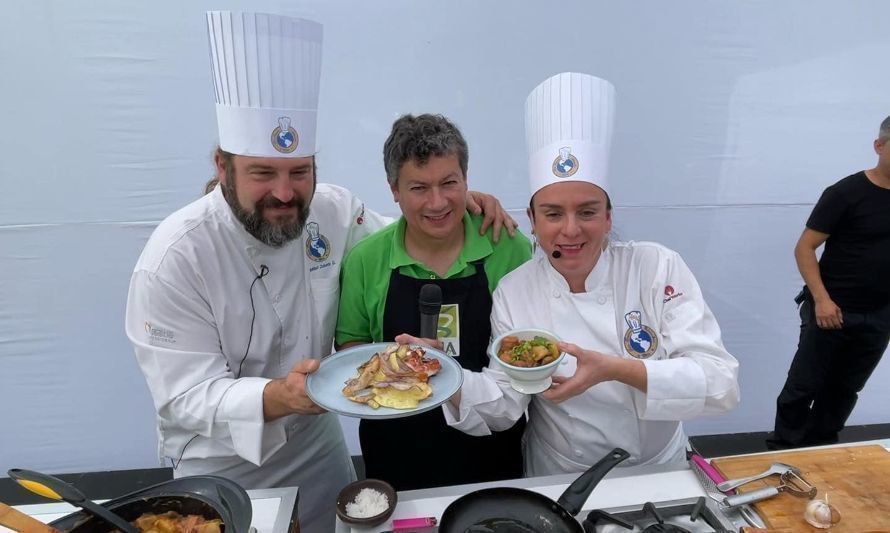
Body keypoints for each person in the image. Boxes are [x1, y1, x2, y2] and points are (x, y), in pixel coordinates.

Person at [125, 12, 514, 533]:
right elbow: (183, 396)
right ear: (223, 167)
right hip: (224, 460)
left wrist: (463, 206)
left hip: (318, 444)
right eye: (263, 173)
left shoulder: (331, 211)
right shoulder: (176, 257)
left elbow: (408, 239)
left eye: (299, 171)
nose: (285, 193)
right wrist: (277, 396)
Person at [444, 72, 740, 476]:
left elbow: (720, 385)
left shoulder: (656, 267)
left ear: (608, 216)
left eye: (587, 211)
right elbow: (506, 402)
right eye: (552, 214)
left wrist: (617, 368)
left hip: (659, 468)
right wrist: (444, 375)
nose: (570, 229)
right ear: (531, 220)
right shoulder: (516, 290)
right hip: (561, 472)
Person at [335, 114, 532, 490]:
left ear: (467, 179)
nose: (438, 202)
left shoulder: (508, 247)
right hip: (396, 444)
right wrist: (399, 371)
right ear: (394, 189)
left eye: (449, 183)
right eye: (419, 188)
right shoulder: (366, 259)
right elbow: (351, 344)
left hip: (492, 441)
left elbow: (522, 356)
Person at [767, 116, 890, 450]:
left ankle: (823, 448)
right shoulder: (846, 193)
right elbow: (805, 247)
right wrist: (821, 300)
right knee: (803, 386)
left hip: (879, 316)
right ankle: (785, 449)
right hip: (831, 308)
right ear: (879, 146)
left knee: (845, 389)